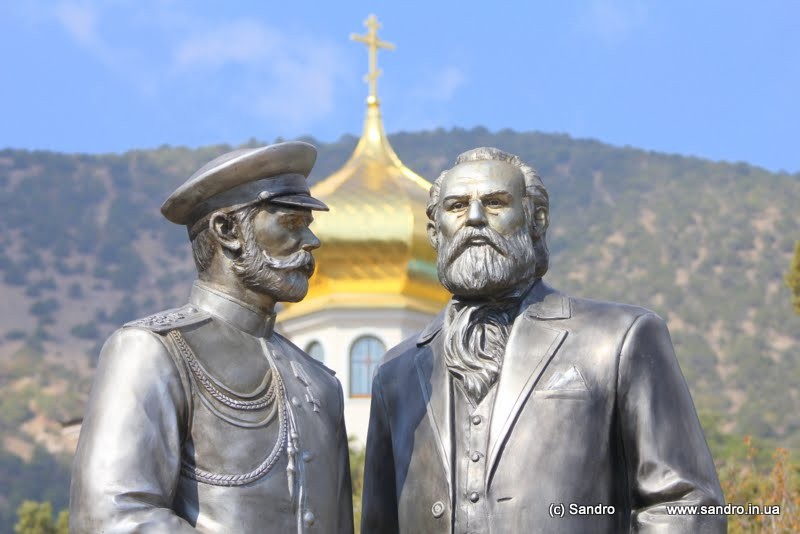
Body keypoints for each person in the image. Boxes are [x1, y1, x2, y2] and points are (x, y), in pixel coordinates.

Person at [361, 147, 725, 533]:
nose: (475, 218)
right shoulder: (395, 374)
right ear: (435, 233)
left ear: (536, 220)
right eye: (456, 206)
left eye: (495, 202)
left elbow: (685, 504)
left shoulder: (618, 339)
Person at [70, 141, 353, 533]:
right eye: (290, 223)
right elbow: (112, 518)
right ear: (227, 230)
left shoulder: (321, 384)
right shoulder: (153, 350)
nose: (311, 241)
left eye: (308, 224)